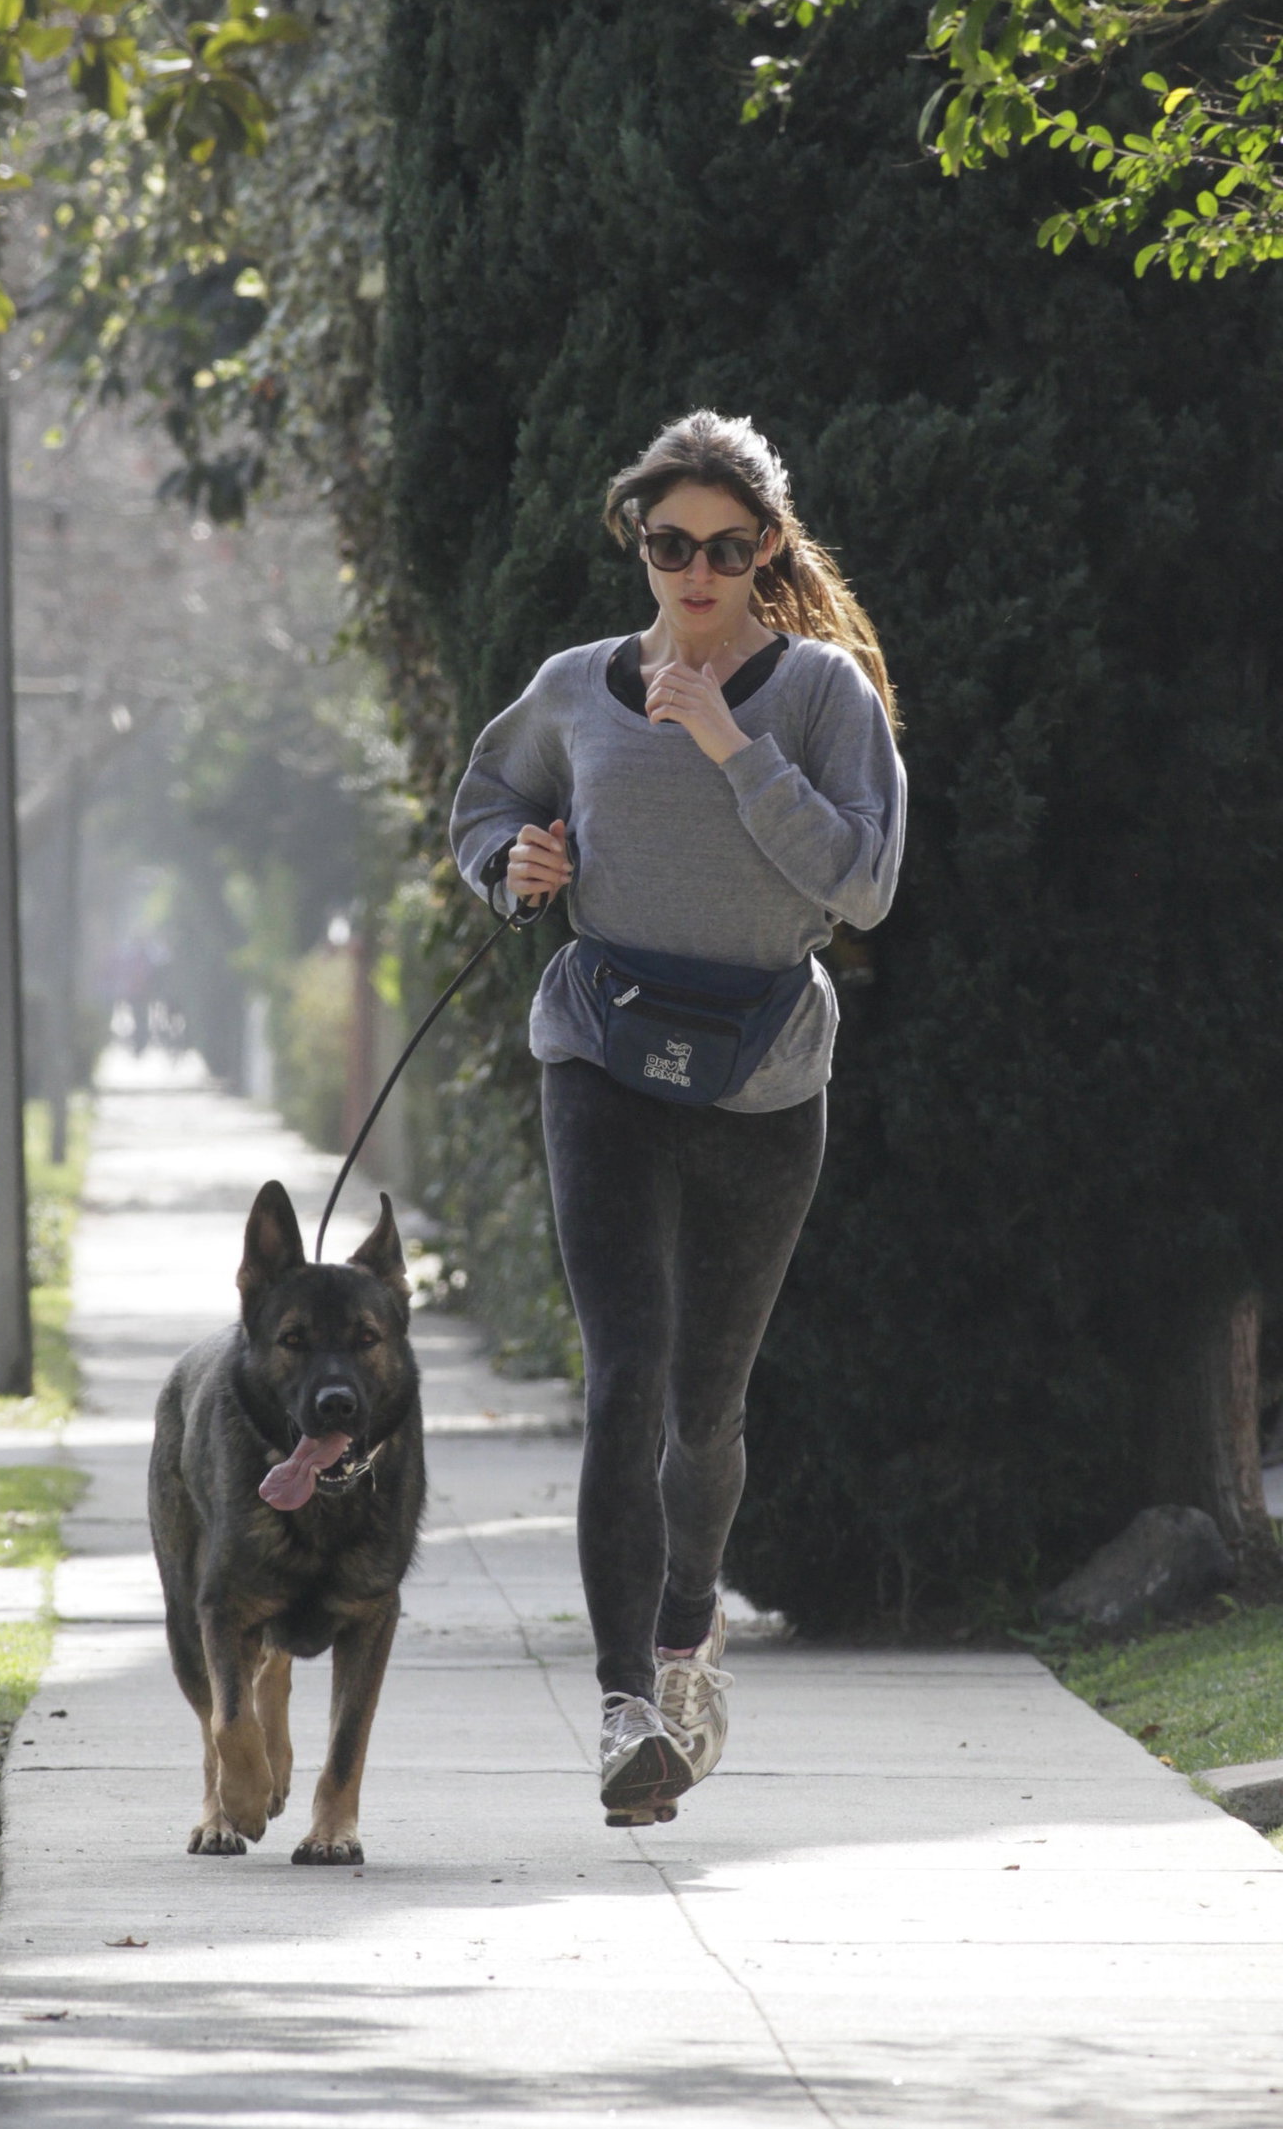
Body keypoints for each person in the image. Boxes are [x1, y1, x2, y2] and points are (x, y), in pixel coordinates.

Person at [449, 410, 905, 1826]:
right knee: (627, 1374)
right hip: (601, 1054)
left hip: (766, 1077)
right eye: (667, 545)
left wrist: (727, 742)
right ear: (636, 546)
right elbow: (482, 810)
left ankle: (686, 1634)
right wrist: (512, 866)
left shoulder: (822, 693)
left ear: (765, 548)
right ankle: (623, 1708)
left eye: (722, 546)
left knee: (707, 1404)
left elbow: (866, 884)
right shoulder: (576, 688)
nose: (694, 571)